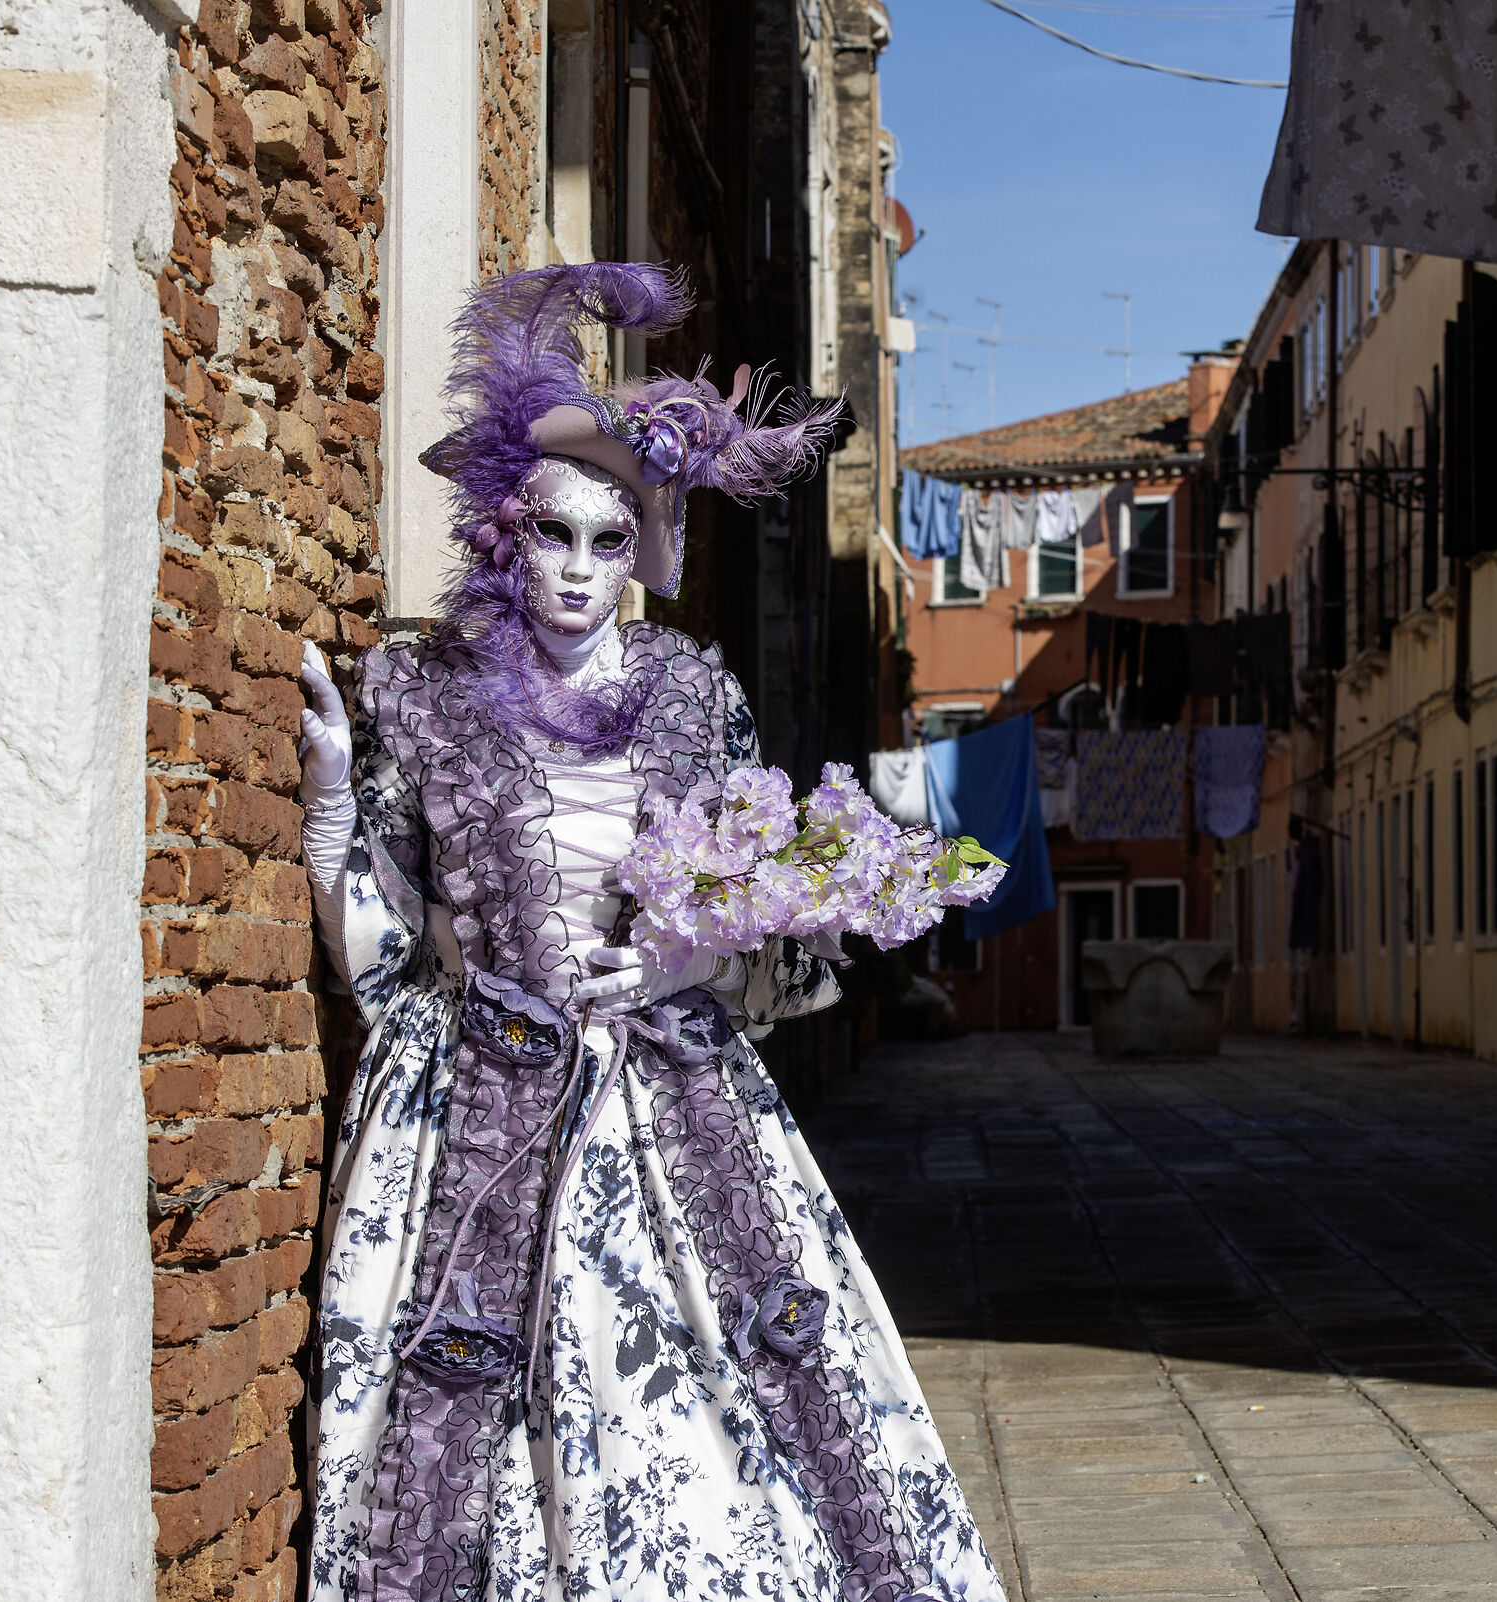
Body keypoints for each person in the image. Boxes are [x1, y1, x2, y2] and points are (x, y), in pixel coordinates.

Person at [298, 263, 1004, 1602]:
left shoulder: (692, 698)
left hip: (669, 1111)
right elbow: (382, 959)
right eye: (552, 535)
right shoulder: (428, 698)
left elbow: (767, 930)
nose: (576, 571)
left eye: (607, 541)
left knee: (705, 1445)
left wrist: (688, 957)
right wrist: (335, 803)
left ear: (643, 551)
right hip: (474, 1126)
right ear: (506, 533)